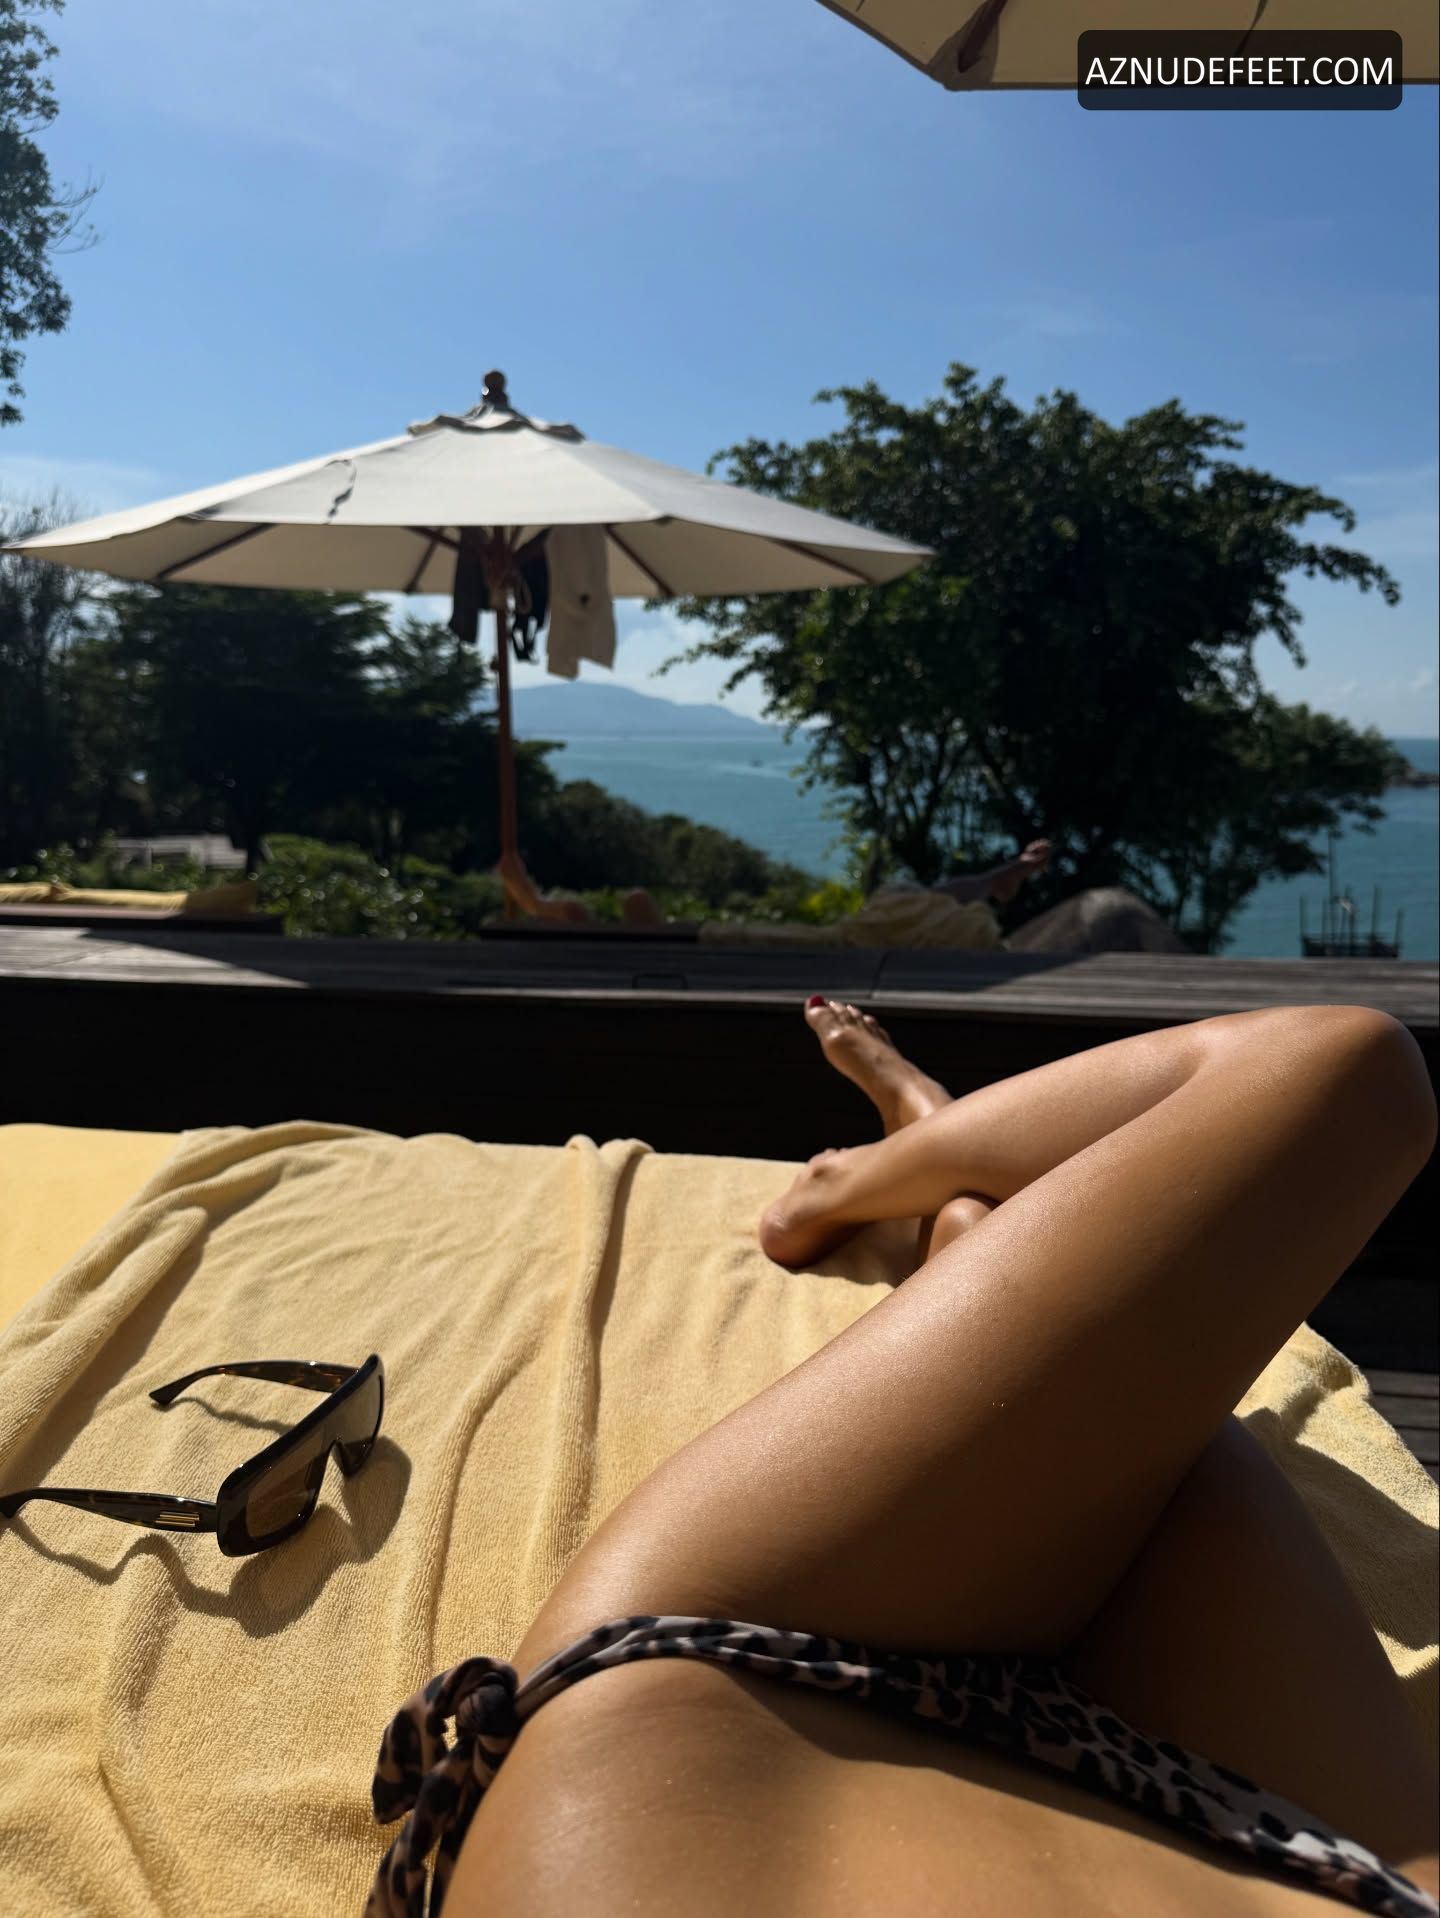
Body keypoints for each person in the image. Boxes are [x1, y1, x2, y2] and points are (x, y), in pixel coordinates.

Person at [370, 998, 1438, 1917]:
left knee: (1344, 1085)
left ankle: (894, 1160)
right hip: (1336, 1869)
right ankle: (930, 1149)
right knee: (1338, 1095)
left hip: (742, 1691)